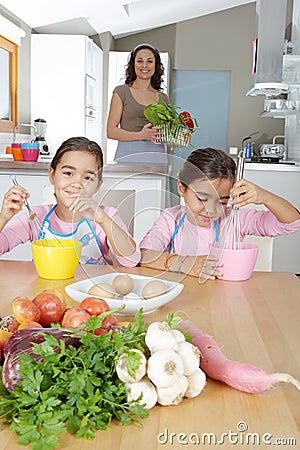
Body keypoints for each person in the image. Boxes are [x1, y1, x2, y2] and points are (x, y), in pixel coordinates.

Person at [139, 147, 300, 278]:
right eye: (202, 198)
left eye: (222, 201)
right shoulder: (171, 219)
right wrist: (184, 263)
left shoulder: (236, 219)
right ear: (182, 187)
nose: (211, 210)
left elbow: (292, 222)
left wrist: (266, 197)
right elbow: (143, 255)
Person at [0, 136, 140, 266]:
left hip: (89, 291)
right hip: (47, 291)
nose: (77, 183)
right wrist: (3, 218)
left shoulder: (107, 216)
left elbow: (131, 260)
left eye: (87, 178)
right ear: (52, 175)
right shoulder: (34, 218)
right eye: (68, 173)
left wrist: (104, 220)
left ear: (98, 185)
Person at [106, 43, 170, 164]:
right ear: (133, 64)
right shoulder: (121, 92)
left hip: (157, 157)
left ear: (156, 65)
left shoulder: (163, 98)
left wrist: (181, 134)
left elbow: (167, 135)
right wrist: (142, 135)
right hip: (128, 155)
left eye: (149, 61)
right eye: (140, 61)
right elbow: (111, 132)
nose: (144, 65)